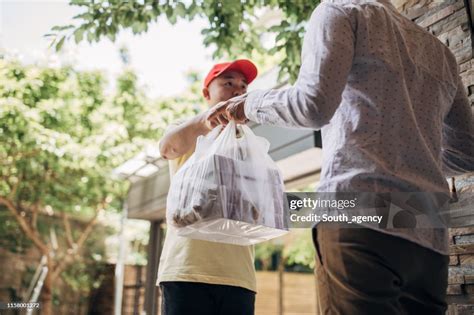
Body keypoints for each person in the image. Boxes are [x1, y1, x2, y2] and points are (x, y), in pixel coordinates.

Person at [208, 0, 474, 314]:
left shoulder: (340, 11)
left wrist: (246, 105)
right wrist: (410, 149)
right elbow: (466, 154)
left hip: (359, 214)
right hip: (426, 228)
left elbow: (312, 105)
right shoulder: (440, 53)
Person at [157, 59, 258, 315]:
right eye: (228, 83)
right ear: (206, 93)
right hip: (186, 270)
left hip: (238, 276)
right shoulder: (191, 132)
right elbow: (167, 148)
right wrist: (207, 122)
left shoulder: (252, 145)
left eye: (243, 86)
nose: (238, 89)